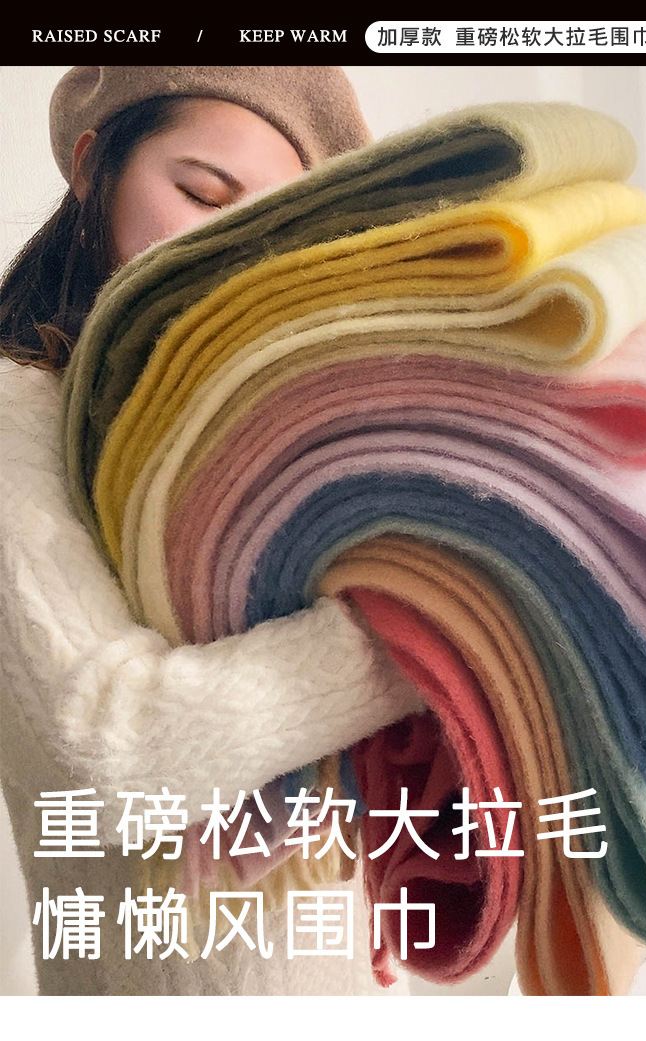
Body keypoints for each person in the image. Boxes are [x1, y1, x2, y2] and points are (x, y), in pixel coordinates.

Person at [0, 66, 425, 997]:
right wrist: (439, 625)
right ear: (93, 167)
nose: (232, 252)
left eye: (276, 228)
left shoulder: (270, 434)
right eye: (201, 194)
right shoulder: (15, 411)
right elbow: (108, 748)